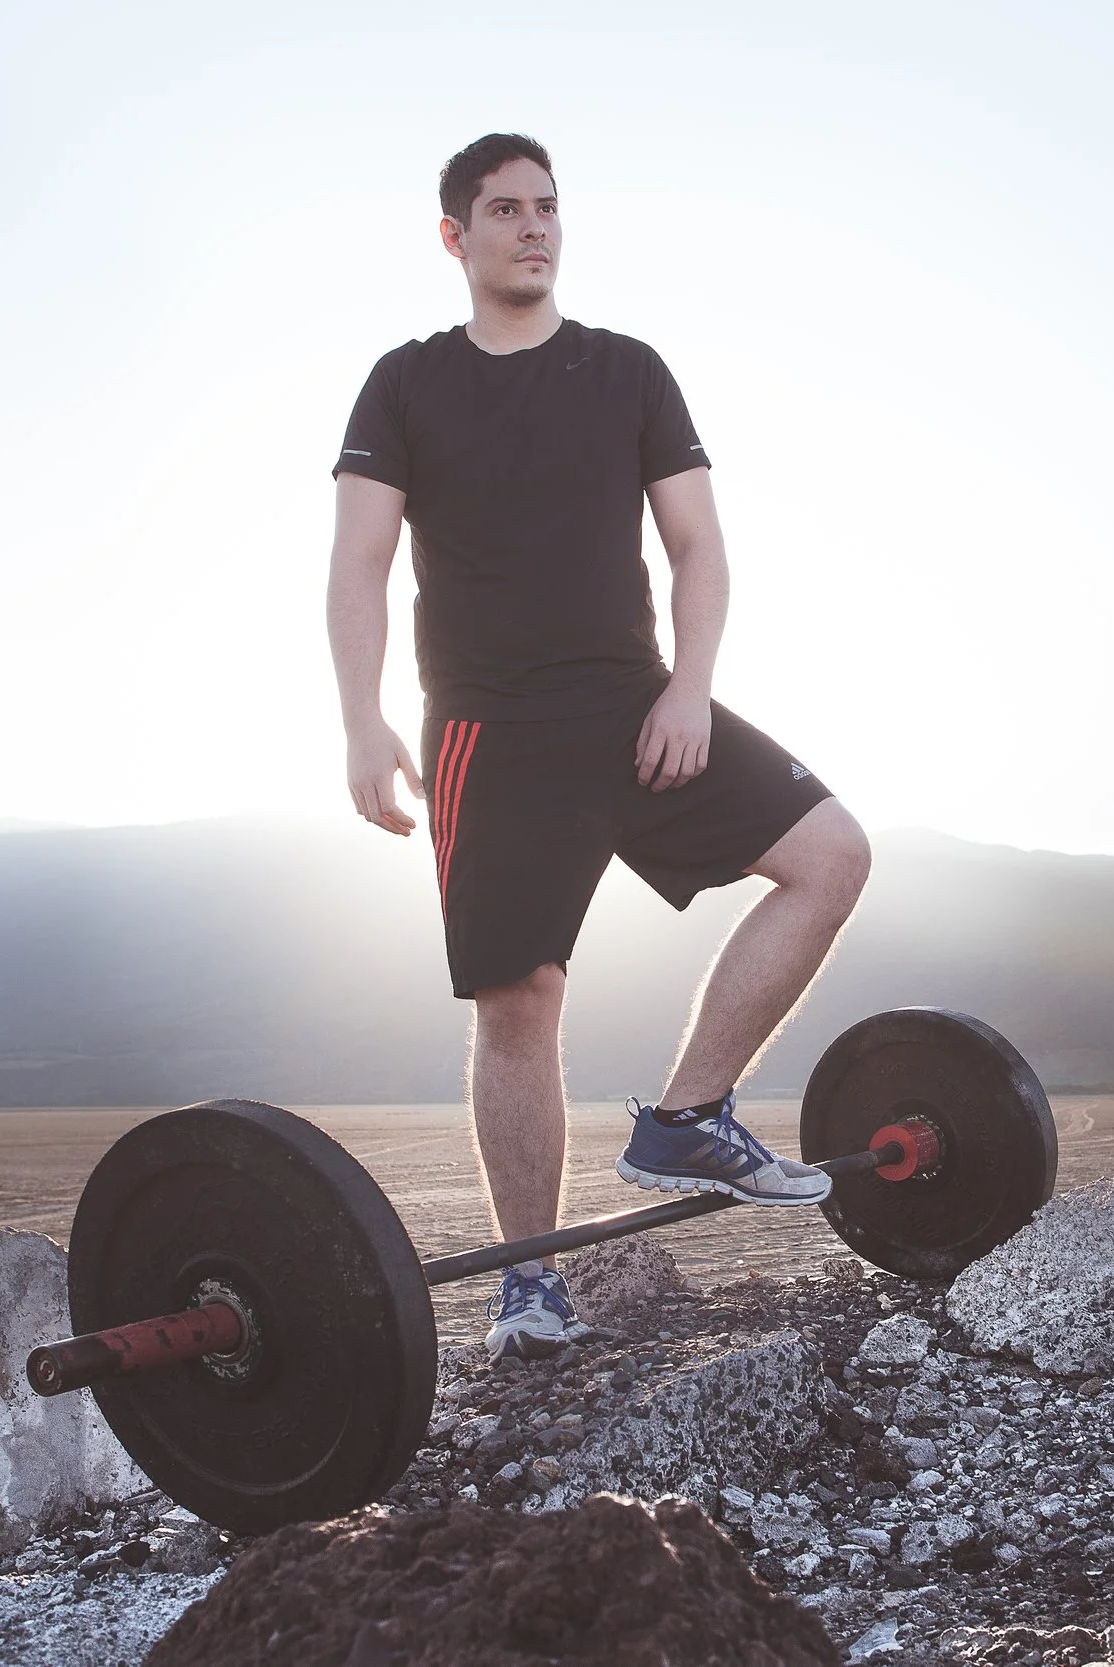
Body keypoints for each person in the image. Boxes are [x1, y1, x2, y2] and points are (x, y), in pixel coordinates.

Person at [325, 133, 874, 1360]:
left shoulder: (627, 371)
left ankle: (687, 1113)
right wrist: (362, 717)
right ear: (455, 236)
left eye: (548, 207)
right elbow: (358, 563)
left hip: (637, 707)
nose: (534, 227)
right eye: (506, 209)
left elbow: (698, 549)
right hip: (485, 728)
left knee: (831, 853)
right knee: (520, 1003)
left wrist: (688, 687)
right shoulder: (404, 385)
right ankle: (530, 1288)